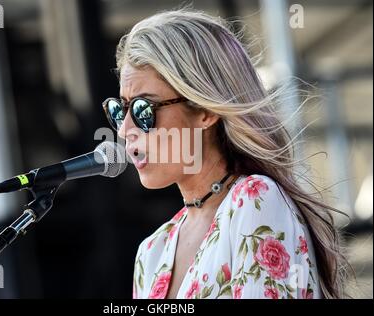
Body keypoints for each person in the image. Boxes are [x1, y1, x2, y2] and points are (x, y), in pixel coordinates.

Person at [102, 9, 349, 299]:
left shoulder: (255, 200)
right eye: (120, 111)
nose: (125, 129)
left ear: (205, 111)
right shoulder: (152, 251)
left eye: (144, 109)